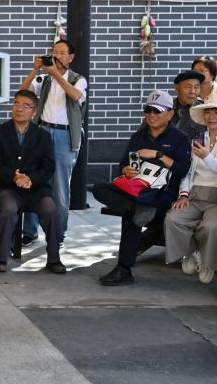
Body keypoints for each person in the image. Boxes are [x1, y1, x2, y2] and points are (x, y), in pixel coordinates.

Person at [93, 90, 191, 286]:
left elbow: (182, 171)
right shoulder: (138, 136)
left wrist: (158, 155)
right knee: (99, 188)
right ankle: (134, 209)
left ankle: (124, 268)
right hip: (136, 189)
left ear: (170, 114)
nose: (151, 115)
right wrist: (126, 170)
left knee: (132, 218)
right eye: (148, 110)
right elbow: (122, 165)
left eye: (157, 111)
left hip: (162, 193)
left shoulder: (180, 138)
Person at [0, 91, 66, 273]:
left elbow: (48, 167)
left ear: (34, 111)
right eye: (16, 104)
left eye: (25, 106)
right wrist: (14, 177)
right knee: (8, 210)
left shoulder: (43, 136)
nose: (19, 109)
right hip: (8, 188)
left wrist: (31, 179)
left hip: (35, 189)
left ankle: (54, 259)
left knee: (50, 210)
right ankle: (1, 258)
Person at [19, 39, 87, 246]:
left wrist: (56, 74)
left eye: (61, 53)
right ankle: (29, 231)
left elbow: (76, 95)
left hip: (64, 135)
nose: (56, 56)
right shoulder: (43, 79)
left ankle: (57, 233)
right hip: (41, 131)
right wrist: (34, 70)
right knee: (31, 180)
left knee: (60, 188)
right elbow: (22, 94)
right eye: (54, 52)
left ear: (71, 57)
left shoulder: (78, 79)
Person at [165, 102, 217, 283]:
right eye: (208, 112)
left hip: (215, 198)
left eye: (216, 112)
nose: (212, 117)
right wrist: (183, 194)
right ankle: (194, 253)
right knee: (173, 219)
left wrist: (207, 157)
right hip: (195, 193)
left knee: (211, 227)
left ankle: (208, 262)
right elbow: (188, 172)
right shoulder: (198, 139)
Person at [171, 70, 205, 137]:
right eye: (188, 87)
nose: (192, 91)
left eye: (196, 87)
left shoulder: (204, 110)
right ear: (176, 87)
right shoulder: (166, 108)